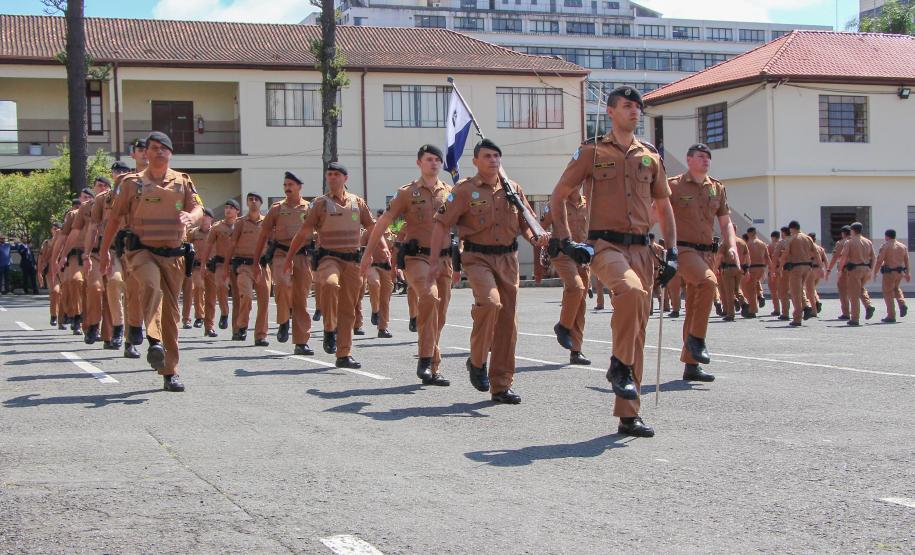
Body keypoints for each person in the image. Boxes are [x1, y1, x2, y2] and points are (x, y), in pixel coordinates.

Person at [550, 86, 677, 437]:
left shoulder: (650, 157)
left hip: (644, 250)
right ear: (610, 112)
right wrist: (564, 239)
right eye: (626, 106)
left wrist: (674, 251)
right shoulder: (592, 152)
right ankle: (619, 366)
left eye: (638, 106)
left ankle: (628, 414)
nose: (634, 111)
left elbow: (664, 206)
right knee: (631, 293)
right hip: (605, 246)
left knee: (637, 329)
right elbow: (559, 194)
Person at [429, 139, 549, 404]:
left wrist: (536, 237)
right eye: (487, 156)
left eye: (497, 155)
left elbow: (526, 223)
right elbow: (441, 224)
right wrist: (436, 259)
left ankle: (501, 385)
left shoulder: (513, 189)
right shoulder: (464, 190)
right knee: (490, 303)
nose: (493, 160)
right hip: (477, 257)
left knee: (508, 323)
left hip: (508, 258)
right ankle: (478, 359)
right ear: (475, 161)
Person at [99, 131, 204, 392]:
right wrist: (103, 252)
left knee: (171, 316)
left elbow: (199, 208)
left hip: (174, 257)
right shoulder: (132, 184)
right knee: (150, 285)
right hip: (142, 252)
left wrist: (192, 217)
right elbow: (114, 219)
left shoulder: (182, 182)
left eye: (163, 148)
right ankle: (153, 340)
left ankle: (170, 372)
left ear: (170, 153)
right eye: (153, 148)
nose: (158, 152)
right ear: (145, 153)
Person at [361, 144, 454, 385]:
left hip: (444, 259)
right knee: (429, 297)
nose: (433, 163)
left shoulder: (450, 193)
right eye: (428, 159)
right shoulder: (407, 193)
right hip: (418, 258)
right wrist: (368, 254)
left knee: (440, 316)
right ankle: (426, 360)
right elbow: (383, 223)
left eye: (437, 159)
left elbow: (464, 226)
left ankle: (432, 365)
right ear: (419, 163)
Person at [284, 162, 378, 369]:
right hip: (329, 258)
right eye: (329, 174)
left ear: (345, 178)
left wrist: (381, 251)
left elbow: (372, 227)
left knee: (348, 308)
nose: (332, 178)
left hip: (352, 261)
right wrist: (290, 256)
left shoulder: (357, 203)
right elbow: (304, 231)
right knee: (329, 284)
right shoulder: (320, 204)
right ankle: (328, 328)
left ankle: (343, 354)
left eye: (337, 174)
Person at [667, 143, 736, 380]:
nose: (705, 160)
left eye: (708, 157)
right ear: (688, 160)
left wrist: (733, 246)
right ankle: (697, 340)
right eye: (700, 156)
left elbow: (725, 221)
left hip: (707, 253)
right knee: (708, 284)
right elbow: (657, 212)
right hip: (684, 250)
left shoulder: (717, 188)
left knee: (695, 307)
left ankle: (691, 365)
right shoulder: (673, 185)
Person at [252, 171, 314, 355]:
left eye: (291, 185)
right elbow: (263, 234)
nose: (287, 188)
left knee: (301, 297)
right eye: (285, 185)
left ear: (299, 187)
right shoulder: (277, 209)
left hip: (302, 256)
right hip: (280, 253)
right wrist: (256, 261)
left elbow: (319, 230)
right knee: (283, 284)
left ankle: (301, 342)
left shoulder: (309, 209)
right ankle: (284, 319)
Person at [541, 186, 592, 365]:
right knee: (575, 287)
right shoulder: (556, 203)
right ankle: (562, 326)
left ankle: (576, 351)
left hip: (582, 256)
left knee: (581, 303)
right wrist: (545, 237)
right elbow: (541, 227)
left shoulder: (588, 203)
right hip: (562, 254)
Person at [224, 192, 271, 346]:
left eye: (256, 199)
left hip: (262, 266)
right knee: (247, 296)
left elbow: (273, 243)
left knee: (264, 302)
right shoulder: (240, 223)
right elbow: (231, 244)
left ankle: (260, 335)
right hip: (244, 266)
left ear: (261, 203)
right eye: (250, 199)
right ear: (246, 203)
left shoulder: (267, 222)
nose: (253, 202)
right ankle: (242, 324)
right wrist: (226, 267)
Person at [54, 189, 95, 335]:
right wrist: (58, 257)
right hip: (75, 255)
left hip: (94, 255)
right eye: (83, 197)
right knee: (75, 282)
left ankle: (89, 323)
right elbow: (63, 237)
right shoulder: (72, 215)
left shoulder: (98, 211)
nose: (86, 199)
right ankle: (75, 316)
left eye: (89, 197)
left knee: (91, 289)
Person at [200, 200, 240, 335]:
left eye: (231, 208)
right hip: (221, 264)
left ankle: (236, 330)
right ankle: (224, 312)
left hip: (237, 264)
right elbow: (208, 246)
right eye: (226, 208)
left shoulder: (241, 226)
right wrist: (203, 265)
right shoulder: (217, 227)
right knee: (221, 286)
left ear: (237, 211)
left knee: (238, 297)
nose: (228, 210)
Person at [778, 220, 818, 326]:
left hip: (796, 268)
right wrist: (819, 266)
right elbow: (816, 252)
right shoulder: (808, 238)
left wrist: (780, 266)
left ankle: (797, 318)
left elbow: (786, 254)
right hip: (807, 267)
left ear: (791, 229)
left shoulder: (792, 239)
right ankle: (807, 306)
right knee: (800, 290)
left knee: (795, 293)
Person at [837, 222, 875, 326]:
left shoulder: (850, 242)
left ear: (852, 230)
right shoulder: (868, 242)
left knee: (853, 294)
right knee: (861, 289)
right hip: (866, 269)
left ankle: (855, 318)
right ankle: (868, 305)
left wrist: (840, 269)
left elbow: (844, 257)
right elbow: (873, 257)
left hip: (855, 270)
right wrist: (871, 270)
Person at [187, 208, 216, 334]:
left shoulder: (215, 232)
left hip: (212, 266)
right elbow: (186, 247)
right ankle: (199, 316)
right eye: (203, 216)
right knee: (198, 287)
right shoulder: (193, 233)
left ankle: (209, 326)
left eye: (207, 216)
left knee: (211, 297)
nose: (204, 218)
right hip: (198, 266)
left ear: (211, 219)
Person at [872, 228, 909, 323]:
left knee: (887, 293)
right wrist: (907, 273)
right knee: (896, 289)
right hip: (900, 272)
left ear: (887, 236)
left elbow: (880, 260)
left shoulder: (885, 246)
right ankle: (902, 303)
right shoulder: (902, 246)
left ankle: (891, 315)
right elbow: (906, 260)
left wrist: (875, 272)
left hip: (889, 273)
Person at [741, 227, 770, 318]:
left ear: (749, 233)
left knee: (750, 290)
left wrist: (743, 268)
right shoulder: (762, 244)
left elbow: (745, 258)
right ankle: (759, 297)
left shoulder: (748, 244)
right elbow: (767, 258)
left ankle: (752, 310)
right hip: (761, 268)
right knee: (755, 285)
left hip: (752, 268)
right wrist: (770, 270)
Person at [37, 222, 63, 325]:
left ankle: (63, 319)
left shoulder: (65, 241)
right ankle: (54, 315)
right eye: (54, 228)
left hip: (64, 270)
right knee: (55, 292)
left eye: (58, 228)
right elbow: (41, 257)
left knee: (65, 294)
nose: (55, 230)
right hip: (51, 272)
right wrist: (39, 272)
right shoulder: (47, 243)